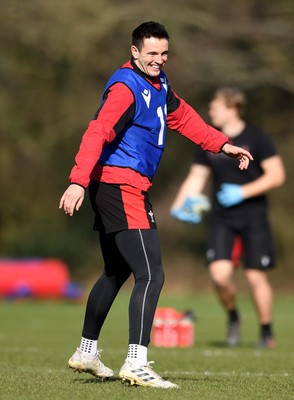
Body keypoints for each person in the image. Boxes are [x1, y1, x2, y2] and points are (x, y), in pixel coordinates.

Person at [59, 23, 253, 389]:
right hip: (120, 185)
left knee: (116, 270)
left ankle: (87, 351)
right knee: (152, 274)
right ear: (134, 52)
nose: (158, 60)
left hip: (121, 186)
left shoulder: (160, 85)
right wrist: (77, 180)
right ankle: (137, 361)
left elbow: (186, 119)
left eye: (164, 53)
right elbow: (97, 131)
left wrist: (223, 145)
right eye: (151, 53)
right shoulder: (126, 87)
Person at [171, 87, 285, 348]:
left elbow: (277, 175)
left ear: (233, 108)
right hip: (222, 218)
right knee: (220, 276)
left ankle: (266, 331)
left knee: (256, 276)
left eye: (215, 108)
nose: (210, 112)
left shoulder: (257, 137)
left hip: (253, 215)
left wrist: (243, 192)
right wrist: (178, 206)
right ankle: (234, 316)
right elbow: (196, 178)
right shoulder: (209, 140)